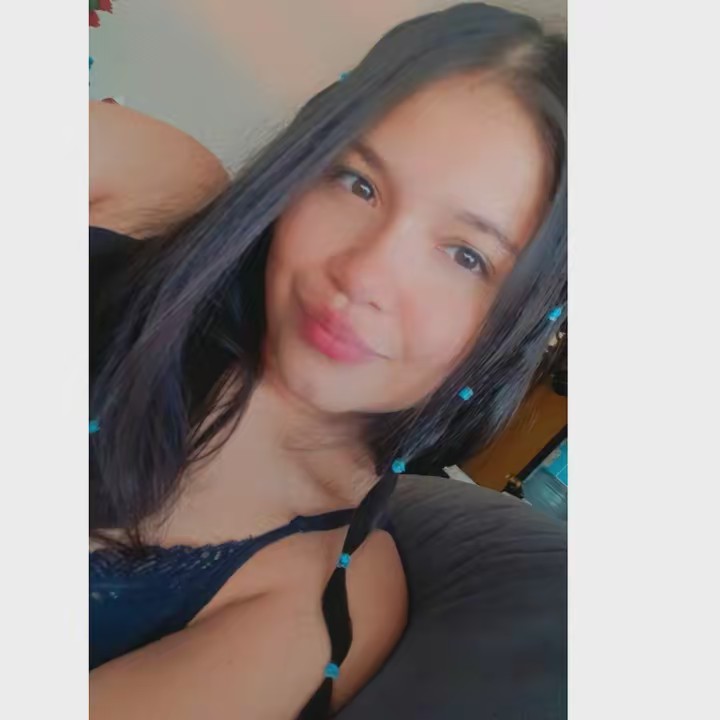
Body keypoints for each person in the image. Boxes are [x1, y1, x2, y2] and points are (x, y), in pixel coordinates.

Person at [89, 3, 567, 718]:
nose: (364, 274)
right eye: (358, 183)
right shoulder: (150, 186)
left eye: (467, 256)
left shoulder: (327, 596)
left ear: (517, 329)